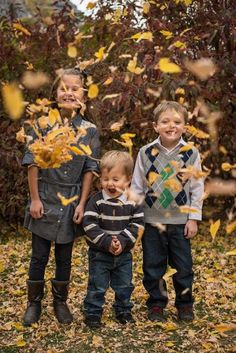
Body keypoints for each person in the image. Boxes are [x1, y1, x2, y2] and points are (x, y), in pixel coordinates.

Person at [22, 68, 100, 326]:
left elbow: (90, 169)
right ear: (55, 94)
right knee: (39, 256)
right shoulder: (41, 125)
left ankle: (60, 302)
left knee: (64, 257)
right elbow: (32, 163)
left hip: (71, 201)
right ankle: (33, 304)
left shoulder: (89, 130)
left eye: (75, 88)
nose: (69, 92)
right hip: (45, 197)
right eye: (63, 88)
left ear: (84, 96)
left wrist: (82, 203)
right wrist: (35, 199)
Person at [131, 101, 204, 322]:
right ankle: (156, 304)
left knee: (183, 267)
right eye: (165, 121)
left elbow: (197, 189)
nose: (171, 126)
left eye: (176, 122)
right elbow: (137, 186)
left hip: (181, 220)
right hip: (152, 220)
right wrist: (135, 218)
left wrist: (193, 218)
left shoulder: (191, 153)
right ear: (156, 126)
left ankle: (184, 304)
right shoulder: (146, 152)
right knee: (153, 265)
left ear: (184, 126)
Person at [82, 151, 144, 328]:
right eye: (105, 178)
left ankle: (123, 310)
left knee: (124, 285)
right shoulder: (96, 201)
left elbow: (138, 224)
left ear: (128, 179)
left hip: (123, 254)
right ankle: (93, 313)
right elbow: (89, 224)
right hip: (99, 253)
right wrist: (107, 241)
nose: (110, 183)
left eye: (115, 179)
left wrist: (122, 241)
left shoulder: (133, 201)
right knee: (97, 285)